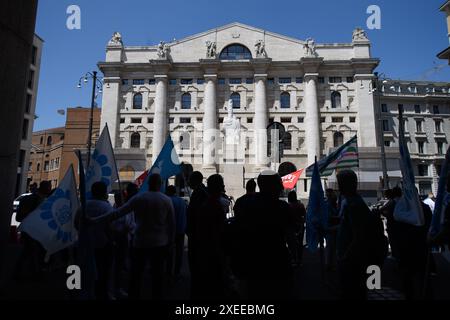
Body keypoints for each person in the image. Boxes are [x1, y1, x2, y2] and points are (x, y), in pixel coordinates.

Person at [92, 174, 175, 300]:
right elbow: (172, 224)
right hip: (160, 243)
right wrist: (171, 242)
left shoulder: (139, 198)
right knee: (157, 276)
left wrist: (95, 220)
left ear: (148, 183)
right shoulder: (166, 200)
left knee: (136, 275)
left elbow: (117, 213)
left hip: (140, 242)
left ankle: (134, 296)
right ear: (160, 184)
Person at [233, 170, 296, 299]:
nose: (281, 187)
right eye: (279, 183)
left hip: (252, 263)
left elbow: (238, 233)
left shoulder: (244, 204)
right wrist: (294, 256)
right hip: (276, 263)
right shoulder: (282, 207)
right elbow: (290, 237)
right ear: (273, 187)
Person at [191, 174, 228, 299]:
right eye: (222, 185)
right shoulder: (212, 205)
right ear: (217, 187)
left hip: (206, 250)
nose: (224, 188)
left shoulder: (208, 202)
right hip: (212, 252)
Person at [336, 170, 370, 300]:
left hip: (352, 259)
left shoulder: (354, 204)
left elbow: (359, 235)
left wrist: (345, 256)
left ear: (348, 184)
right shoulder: (351, 202)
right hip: (349, 256)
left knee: (352, 292)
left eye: (340, 184)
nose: (338, 187)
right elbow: (346, 226)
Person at [79, 181, 114, 300]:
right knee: (103, 272)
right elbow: (111, 227)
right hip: (102, 244)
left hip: (84, 244)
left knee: (84, 272)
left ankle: (83, 293)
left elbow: (75, 223)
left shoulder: (83, 206)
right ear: (104, 192)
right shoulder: (106, 207)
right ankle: (102, 294)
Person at [15, 180, 52, 280]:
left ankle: (23, 272)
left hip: (28, 230)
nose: (50, 189)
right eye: (49, 187)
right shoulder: (39, 200)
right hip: (34, 232)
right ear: (44, 188)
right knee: (32, 252)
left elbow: (19, 217)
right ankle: (31, 273)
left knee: (29, 252)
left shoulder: (29, 198)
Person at [186, 171, 209, 298]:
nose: (188, 182)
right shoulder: (200, 192)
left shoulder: (200, 193)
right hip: (198, 235)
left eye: (190, 179)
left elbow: (196, 215)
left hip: (197, 237)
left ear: (195, 180)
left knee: (197, 267)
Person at [111, 190, 131, 299]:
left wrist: (126, 230)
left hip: (124, 240)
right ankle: (115, 287)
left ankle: (119, 286)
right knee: (115, 265)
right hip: (114, 239)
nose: (117, 199)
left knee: (121, 264)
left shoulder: (127, 209)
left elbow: (131, 224)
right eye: (115, 197)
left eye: (119, 197)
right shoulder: (113, 208)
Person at [166, 185, 187, 278]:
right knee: (179, 252)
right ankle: (177, 271)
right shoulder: (182, 201)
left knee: (169, 252)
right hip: (181, 229)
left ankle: (169, 271)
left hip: (170, 230)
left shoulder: (168, 200)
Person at [287, 191, 306, 266]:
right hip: (300, 226)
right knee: (300, 244)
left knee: (292, 244)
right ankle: (299, 260)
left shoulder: (288, 206)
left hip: (291, 227)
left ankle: (293, 259)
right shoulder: (300, 205)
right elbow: (304, 216)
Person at [325, 188, 339, 271]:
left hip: (333, 228)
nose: (335, 196)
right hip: (330, 227)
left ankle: (331, 264)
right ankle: (329, 264)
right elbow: (329, 217)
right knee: (330, 247)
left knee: (332, 247)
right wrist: (339, 217)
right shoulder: (328, 205)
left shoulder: (333, 204)